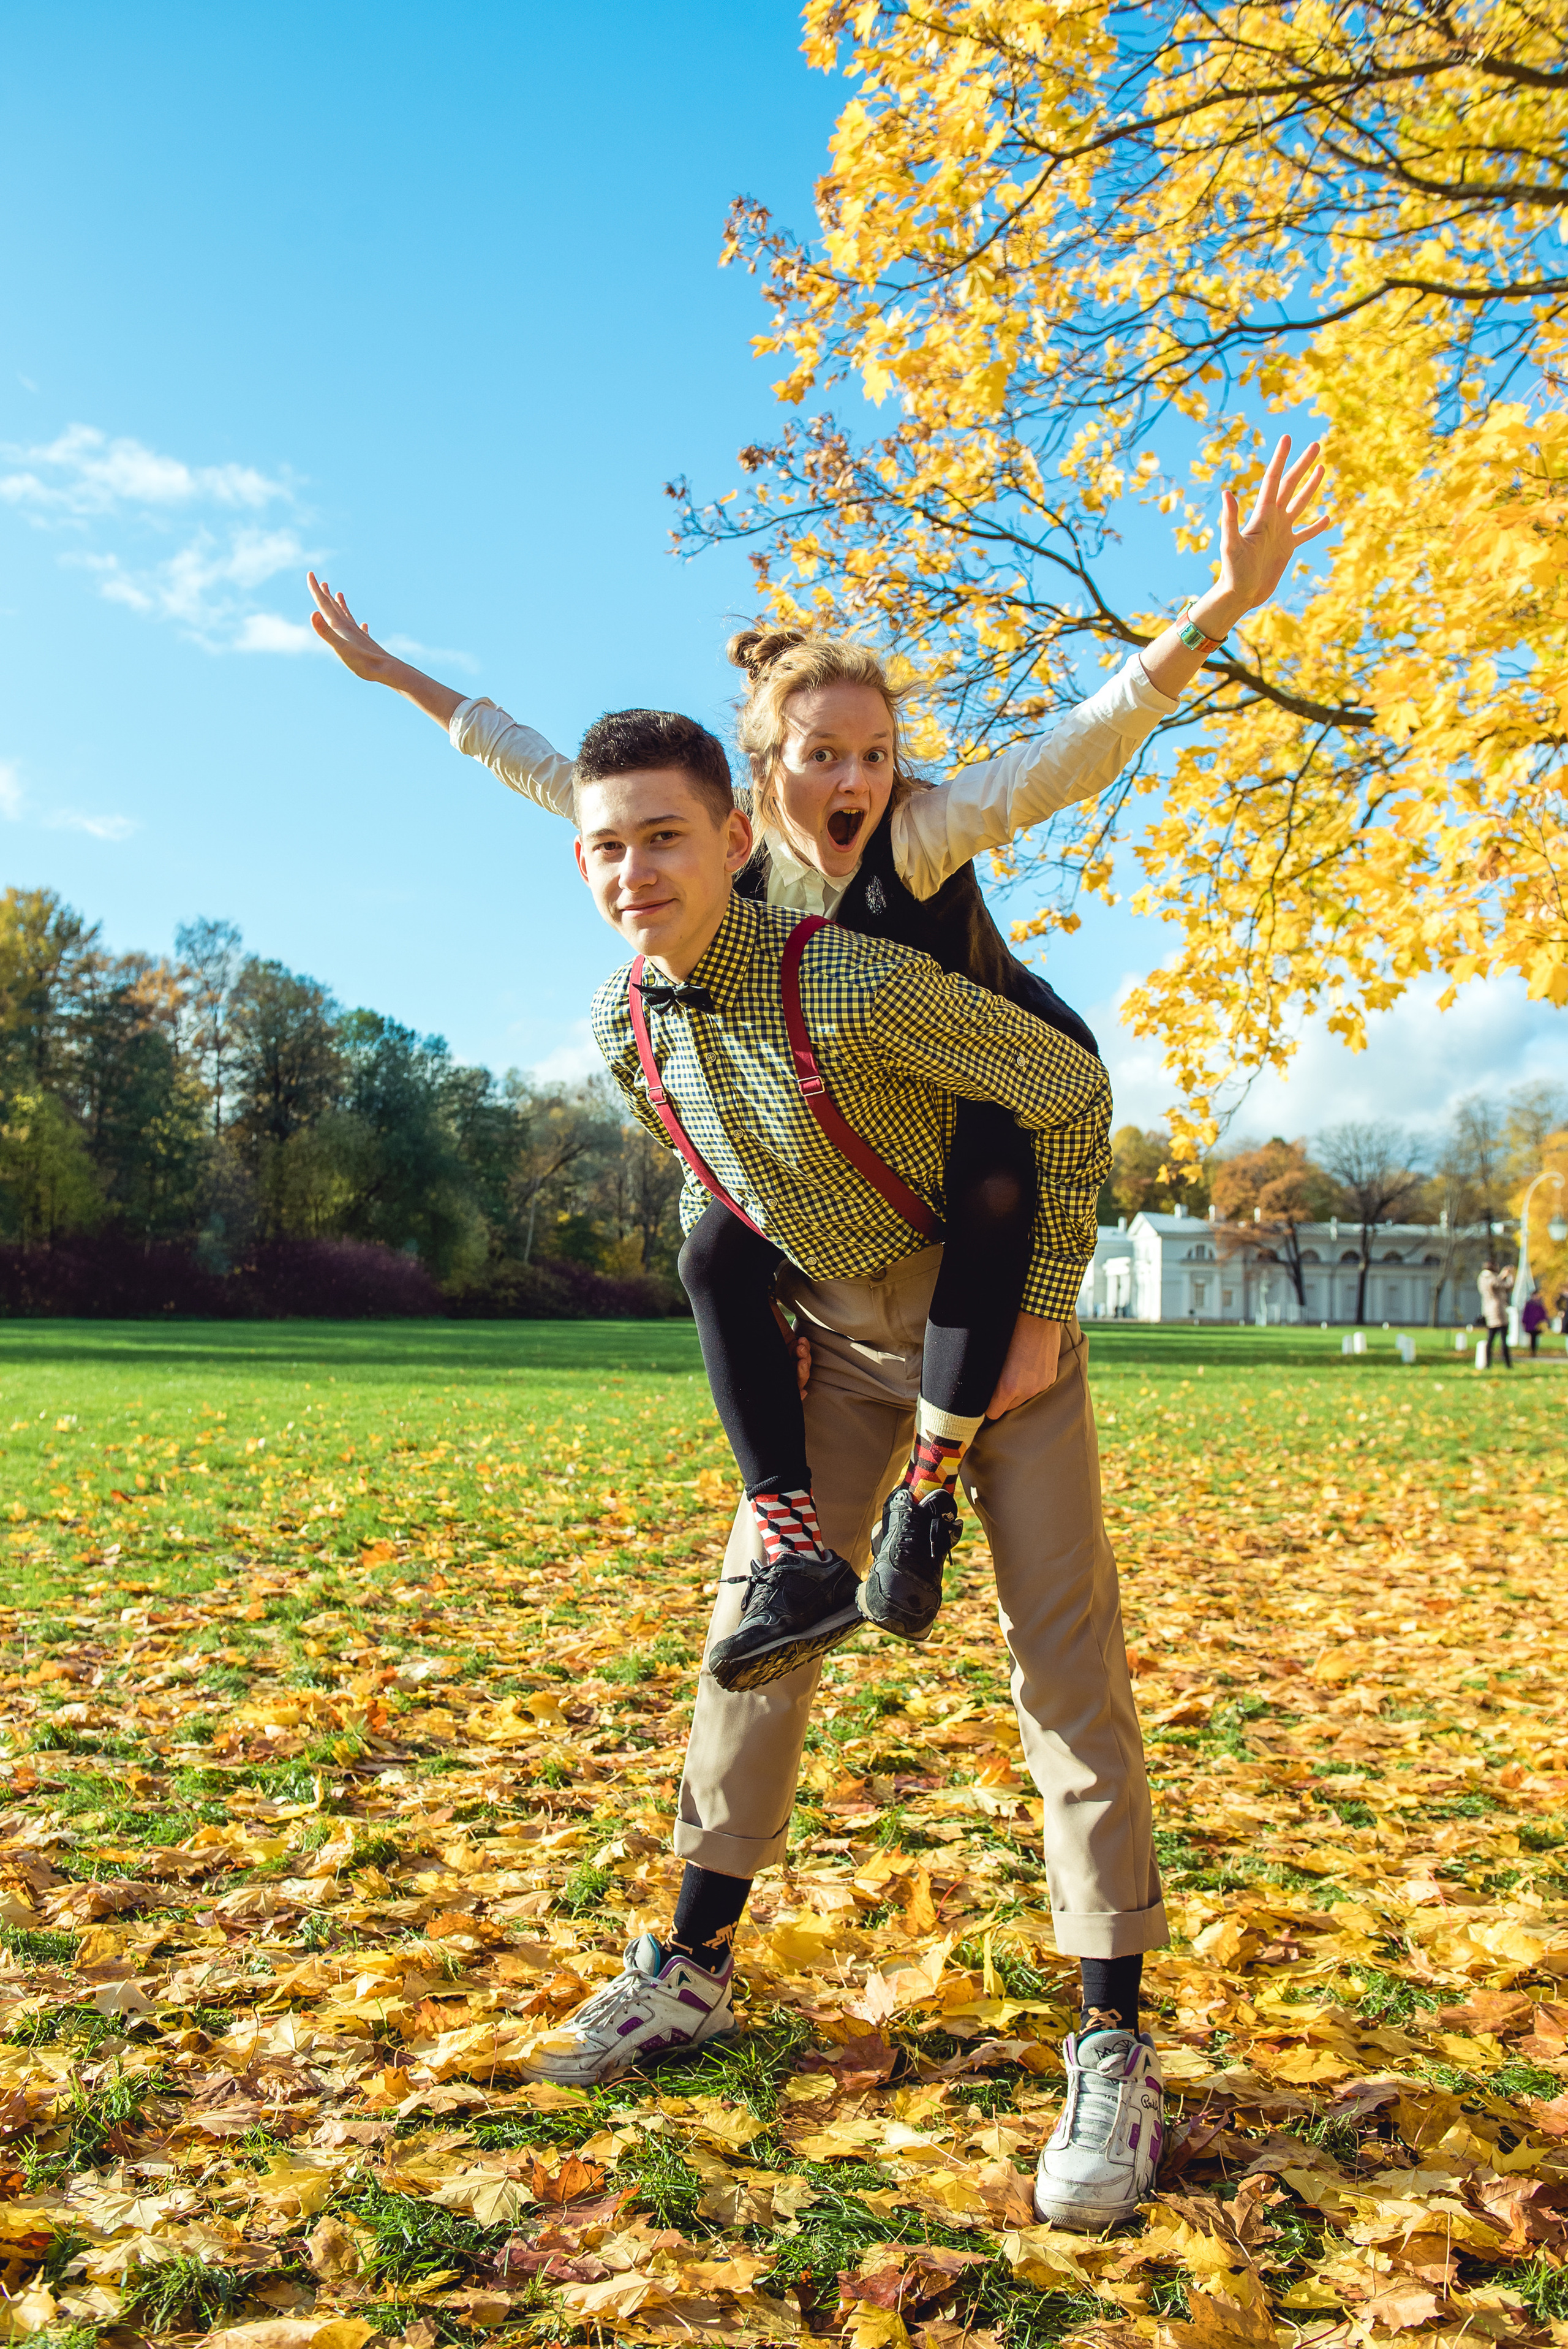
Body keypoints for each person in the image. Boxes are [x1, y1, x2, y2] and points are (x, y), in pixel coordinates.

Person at [308, 437, 1330, 1685]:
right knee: (710, 1244)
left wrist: (1218, 608)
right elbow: (537, 762)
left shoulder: (920, 831)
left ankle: (927, 1497)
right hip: (853, 1141)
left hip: (990, 1100)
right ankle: (792, 1545)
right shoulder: (716, 863)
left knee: (995, 1178)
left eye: (876, 753)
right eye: (824, 755)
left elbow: (1076, 747)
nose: (857, 778)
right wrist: (394, 676)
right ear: (758, 775)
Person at [548, 711, 1157, 2229]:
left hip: (978, 1324)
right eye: (607, 844)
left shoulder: (859, 977)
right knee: (752, 1631)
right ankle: (688, 1965)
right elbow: (714, 1167)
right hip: (831, 1337)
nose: (635, 869)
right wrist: (765, 1287)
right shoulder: (628, 1020)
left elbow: (1066, 1098)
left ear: (733, 840)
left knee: (1060, 1666)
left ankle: (1112, 2041)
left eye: (665, 835)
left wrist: (1037, 1306)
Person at [1477, 1263, 1512, 1367]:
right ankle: (1507, 1364)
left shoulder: (1482, 1278)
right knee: (1503, 1339)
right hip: (1498, 1311)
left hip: (1488, 1311)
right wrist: (1509, 1276)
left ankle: (1488, 1363)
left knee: (1490, 1338)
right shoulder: (1491, 1278)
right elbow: (1507, 1286)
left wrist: (1501, 1276)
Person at [1522, 1285, 1547, 1356]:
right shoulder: (1530, 1304)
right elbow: (1526, 1314)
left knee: (1536, 1338)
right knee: (1532, 1338)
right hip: (1531, 1324)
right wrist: (1524, 1322)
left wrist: (1543, 1321)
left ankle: (1534, 1351)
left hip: (1538, 1324)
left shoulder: (1539, 1304)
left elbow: (1543, 1314)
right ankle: (1532, 1351)